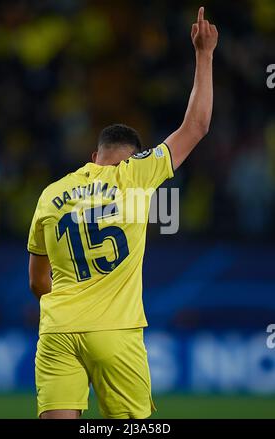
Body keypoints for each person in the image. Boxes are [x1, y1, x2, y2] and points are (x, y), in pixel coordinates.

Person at [27, 6, 218, 419]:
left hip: (57, 331)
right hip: (115, 333)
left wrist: (73, 300)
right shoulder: (136, 176)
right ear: (134, 157)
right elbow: (197, 125)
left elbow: (38, 282)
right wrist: (204, 54)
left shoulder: (51, 194)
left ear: (94, 156)